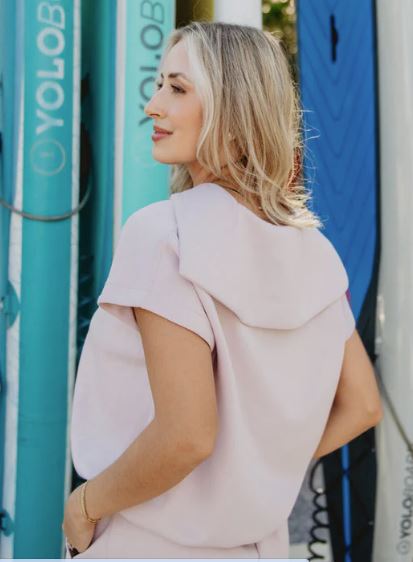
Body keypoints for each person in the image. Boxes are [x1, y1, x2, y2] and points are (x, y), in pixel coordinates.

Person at [62, 21, 383, 559]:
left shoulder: (164, 234)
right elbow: (363, 405)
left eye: (177, 88)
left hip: (148, 542)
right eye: (160, 85)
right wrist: (257, 471)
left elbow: (186, 436)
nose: (153, 106)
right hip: (257, 547)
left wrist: (85, 505)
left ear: (234, 113)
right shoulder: (315, 252)